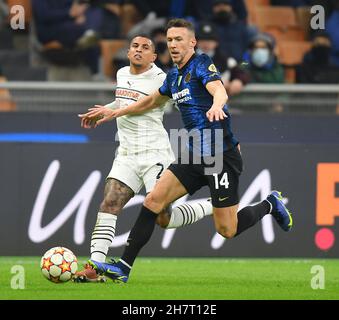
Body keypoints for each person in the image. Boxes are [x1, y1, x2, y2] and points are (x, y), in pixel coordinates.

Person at [79, 19, 293, 283]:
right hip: (191, 151)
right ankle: (124, 267)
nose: (173, 44)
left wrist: (217, 104)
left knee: (227, 229)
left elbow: (219, 90)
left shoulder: (201, 64)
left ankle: (269, 204)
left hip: (218, 152)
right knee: (153, 202)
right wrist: (115, 112)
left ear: (192, 42)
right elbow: (149, 102)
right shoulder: (173, 76)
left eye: (179, 39)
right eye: (169, 40)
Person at [75, 34, 213, 282]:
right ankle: (95, 268)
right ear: (128, 52)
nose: (139, 50)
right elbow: (123, 100)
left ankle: (213, 206)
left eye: (145, 47)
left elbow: (147, 104)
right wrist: (105, 110)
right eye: (135, 46)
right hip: (126, 154)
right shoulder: (121, 74)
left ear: (153, 57)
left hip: (155, 155)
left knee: (164, 218)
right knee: (110, 203)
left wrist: (113, 112)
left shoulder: (162, 78)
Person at [196, 21, 249, 96]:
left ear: (216, 42)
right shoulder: (186, 59)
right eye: (202, 39)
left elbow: (242, 73)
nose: (206, 43)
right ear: (196, 42)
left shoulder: (227, 61)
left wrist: (238, 81)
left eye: (210, 39)